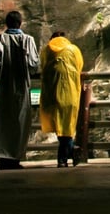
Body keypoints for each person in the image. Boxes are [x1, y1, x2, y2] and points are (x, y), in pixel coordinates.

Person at [0, 10, 39, 169]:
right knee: (20, 121)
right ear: (20, 23)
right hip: (22, 85)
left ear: (6, 24)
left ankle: (3, 158)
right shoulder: (28, 40)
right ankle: (15, 157)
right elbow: (33, 65)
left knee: (3, 120)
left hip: (4, 86)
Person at [39, 31, 84, 168]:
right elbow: (79, 65)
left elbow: (42, 65)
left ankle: (66, 155)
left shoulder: (46, 50)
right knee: (67, 126)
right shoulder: (73, 49)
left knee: (61, 127)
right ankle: (65, 156)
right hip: (69, 93)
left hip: (51, 94)